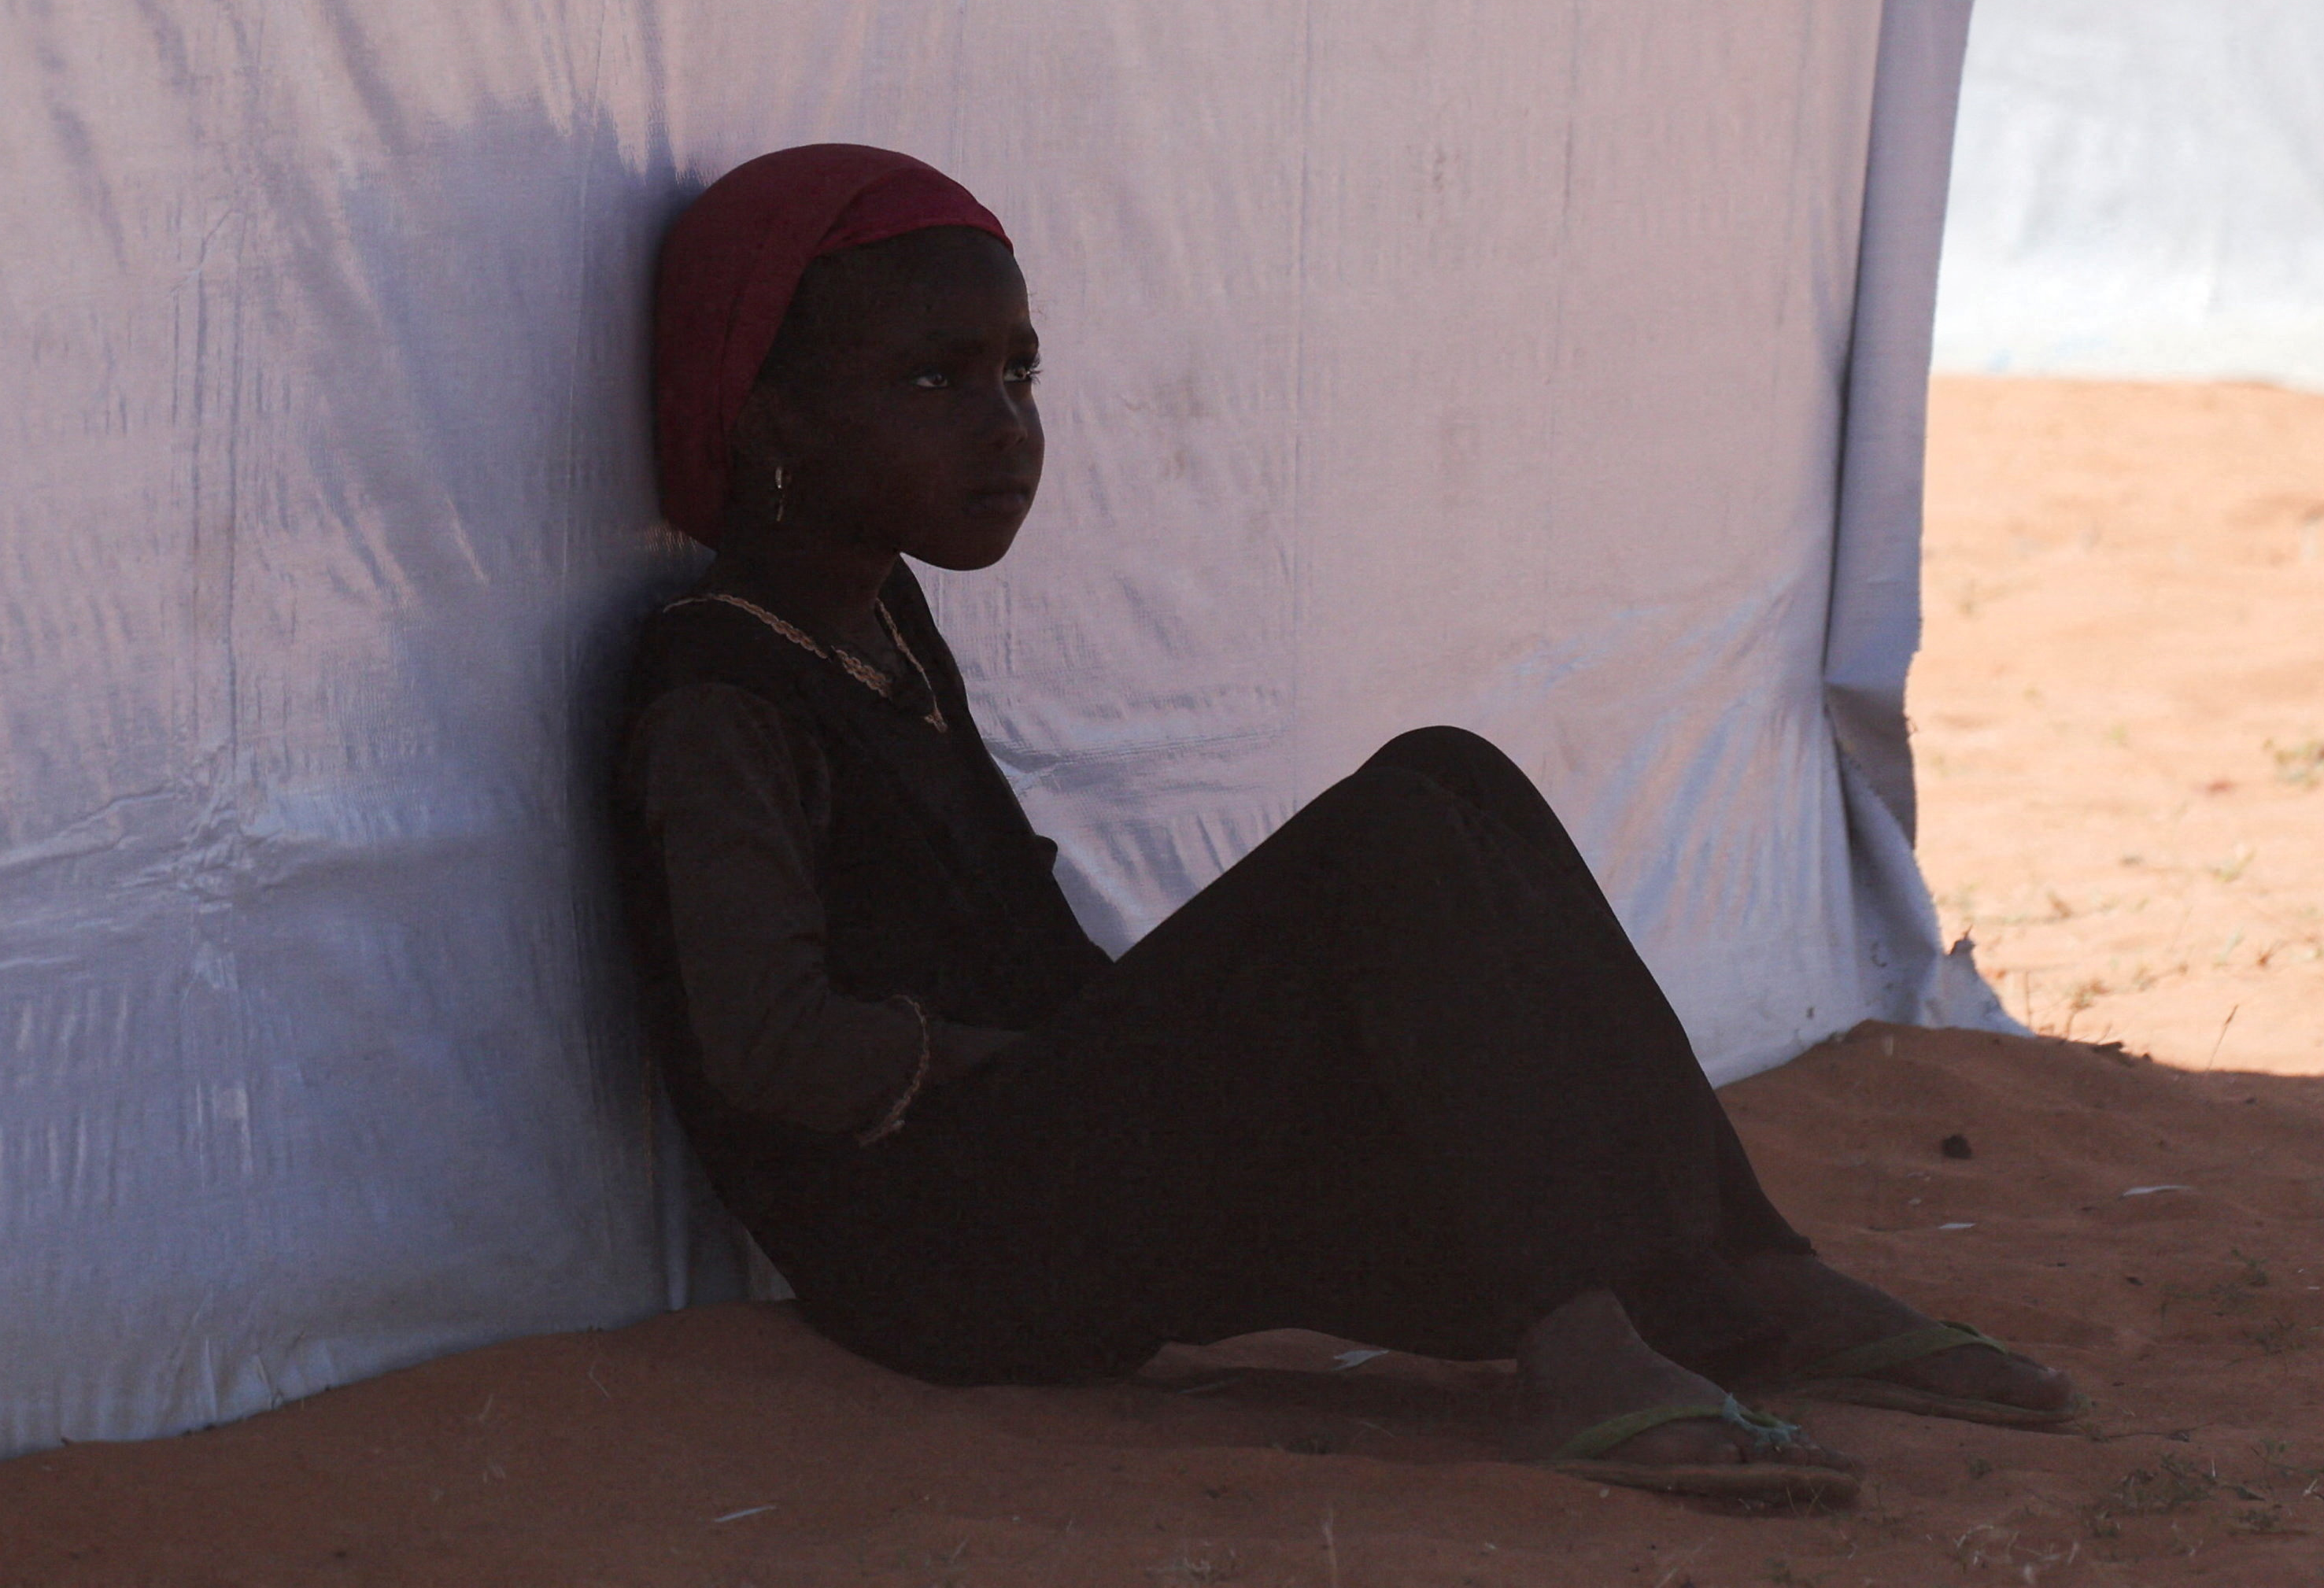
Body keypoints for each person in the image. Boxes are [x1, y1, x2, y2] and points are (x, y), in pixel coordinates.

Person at [611, 144, 2077, 1506]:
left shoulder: (882, 621)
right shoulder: (717, 690)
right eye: (936, 380)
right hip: (936, 1250)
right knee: (1388, 843)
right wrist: (1053, 1057)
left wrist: (1148, 1054)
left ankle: (1747, 1275)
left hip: (1032, 1155)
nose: (1007, 427)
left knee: (1458, 779)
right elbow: (767, 1043)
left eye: (1020, 371)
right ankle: (1575, 1346)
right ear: (774, 415)